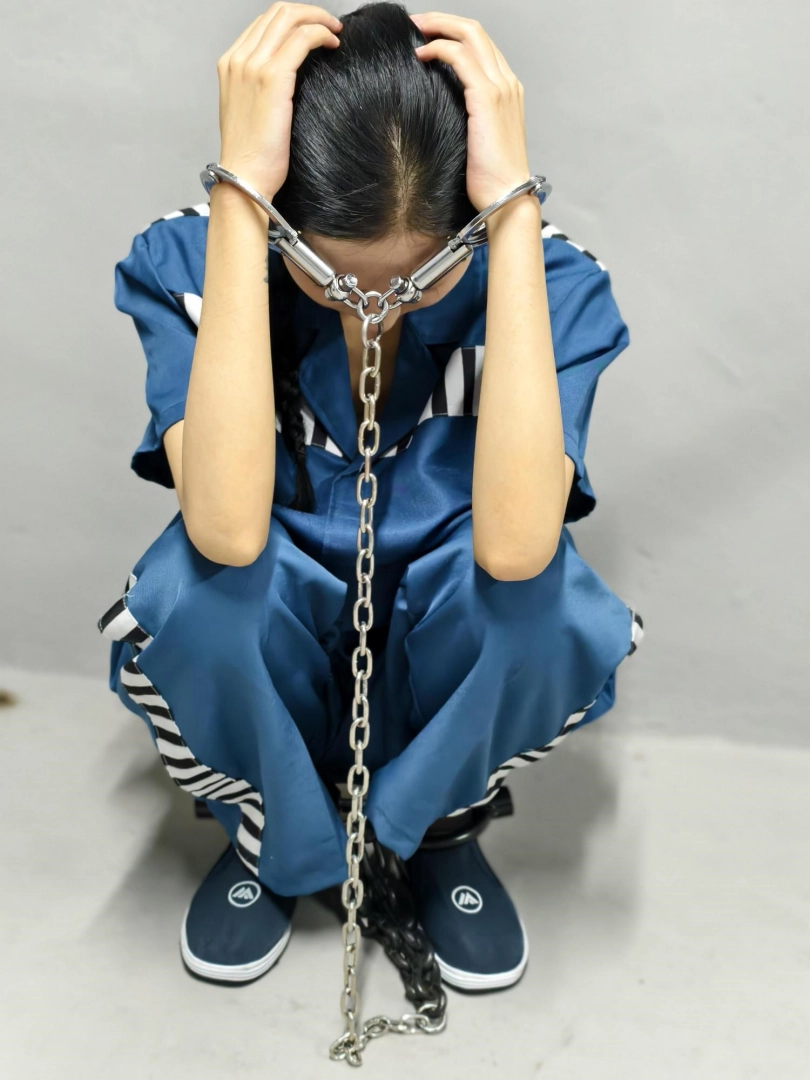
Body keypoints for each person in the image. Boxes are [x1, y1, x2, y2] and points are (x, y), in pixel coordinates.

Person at [98, 0, 644, 994]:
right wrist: (239, 193)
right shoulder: (192, 261)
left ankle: (431, 830)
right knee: (203, 596)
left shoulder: (547, 281)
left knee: (541, 607)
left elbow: (518, 550)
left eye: (422, 281)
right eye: (332, 279)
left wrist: (514, 208)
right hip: (280, 639)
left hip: (440, 650)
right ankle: (274, 835)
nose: (377, 305)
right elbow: (224, 529)